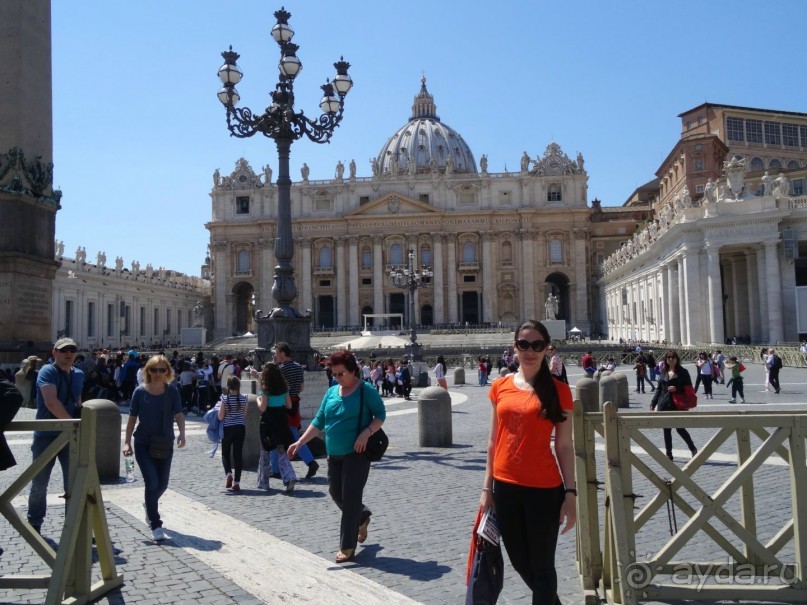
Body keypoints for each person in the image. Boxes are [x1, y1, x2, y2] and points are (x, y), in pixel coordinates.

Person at [480, 320, 576, 603]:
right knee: (521, 562)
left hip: (544, 489)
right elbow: (492, 441)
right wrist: (487, 489)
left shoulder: (559, 390)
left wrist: (570, 493)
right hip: (505, 487)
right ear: (515, 348)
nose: (530, 351)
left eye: (537, 345)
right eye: (524, 345)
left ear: (547, 349)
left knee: (543, 567)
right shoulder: (500, 386)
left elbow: (565, 445)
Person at [288, 350, 386, 564]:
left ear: (353, 371)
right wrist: (300, 442)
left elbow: (380, 415)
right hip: (334, 454)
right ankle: (362, 516)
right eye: (334, 374)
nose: (337, 378)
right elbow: (319, 420)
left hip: (357, 453)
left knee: (350, 498)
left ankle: (347, 547)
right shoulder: (332, 392)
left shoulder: (366, 391)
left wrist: (366, 432)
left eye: (341, 374)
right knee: (335, 493)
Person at [122, 355, 185, 541]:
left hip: (165, 443)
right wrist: (127, 442)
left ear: (168, 372)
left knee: (162, 484)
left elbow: (179, 414)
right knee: (152, 482)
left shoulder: (172, 391)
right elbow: (132, 419)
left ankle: (149, 504)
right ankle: (155, 523)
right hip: (143, 443)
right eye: (154, 370)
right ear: (148, 371)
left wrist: (182, 433)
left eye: (162, 370)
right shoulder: (139, 392)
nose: (158, 373)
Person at [27, 338, 84, 535]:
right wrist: (72, 424)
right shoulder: (47, 371)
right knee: (39, 484)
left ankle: (73, 525)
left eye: (72, 350)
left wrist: (82, 415)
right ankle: (34, 523)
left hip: (70, 436)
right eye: (63, 350)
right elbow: (51, 403)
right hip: (47, 435)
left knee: (73, 483)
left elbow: (76, 400)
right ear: (54, 353)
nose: (68, 353)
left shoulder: (79, 374)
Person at [271, 342, 319, 479]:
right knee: (290, 434)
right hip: (295, 403)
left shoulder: (280, 369)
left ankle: (277, 469)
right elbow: (302, 388)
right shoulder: (298, 367)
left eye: (276, 353)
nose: (275, 355)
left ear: (282, 353)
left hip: (283, 404)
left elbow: (275, 387)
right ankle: (276, 468)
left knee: (279, 435)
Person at [257, 363, 298, 493]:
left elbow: (262, 408)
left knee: (265, 451)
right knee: (281, 451)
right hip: (281, 420)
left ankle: (264, 482)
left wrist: (258, 399)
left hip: (268, 421)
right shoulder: (284, 387)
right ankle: (289, 476)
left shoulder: (265, 389)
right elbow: (289, 406)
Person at [650, 350, 697, 461]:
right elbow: (659, 389)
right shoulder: (662, 372)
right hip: (664, 403)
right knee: (666, 430)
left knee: (680, 428)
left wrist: (677, 389)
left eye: (673, 357)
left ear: (677, 359)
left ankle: (693, 448)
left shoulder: (683, 372)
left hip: (677, 404)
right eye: (668, 358)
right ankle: (669, 454)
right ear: (666, 360)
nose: (670, 359)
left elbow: (689, 388)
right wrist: (653, 403)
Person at [218, 376, 247, 491]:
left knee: (225, 453)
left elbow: (220, 417)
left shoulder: (225, 399)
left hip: (228, 428)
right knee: (237, 454)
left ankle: (229, 474)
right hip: (240, 427)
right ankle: (237, 482)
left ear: (228, 387)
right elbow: (244, 414)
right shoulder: (244, 398)